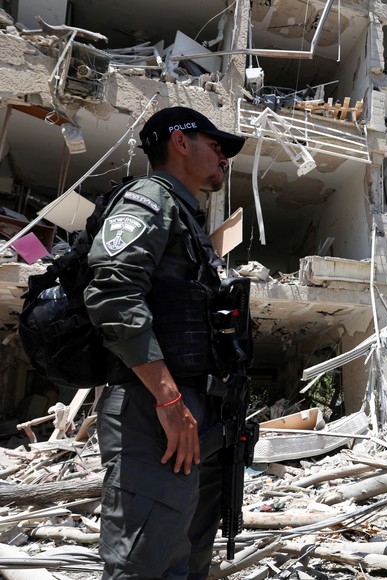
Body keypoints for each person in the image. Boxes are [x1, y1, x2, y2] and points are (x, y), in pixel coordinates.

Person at [85, 106, 246, 579]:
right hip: (152, 409)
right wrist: (169, 397)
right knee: (144, 565)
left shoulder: (186, 218)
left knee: (184, 560)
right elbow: (112, 293)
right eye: (216, 148)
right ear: (179, 141)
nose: (225, 160)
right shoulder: (149, 199)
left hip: (187, 411)